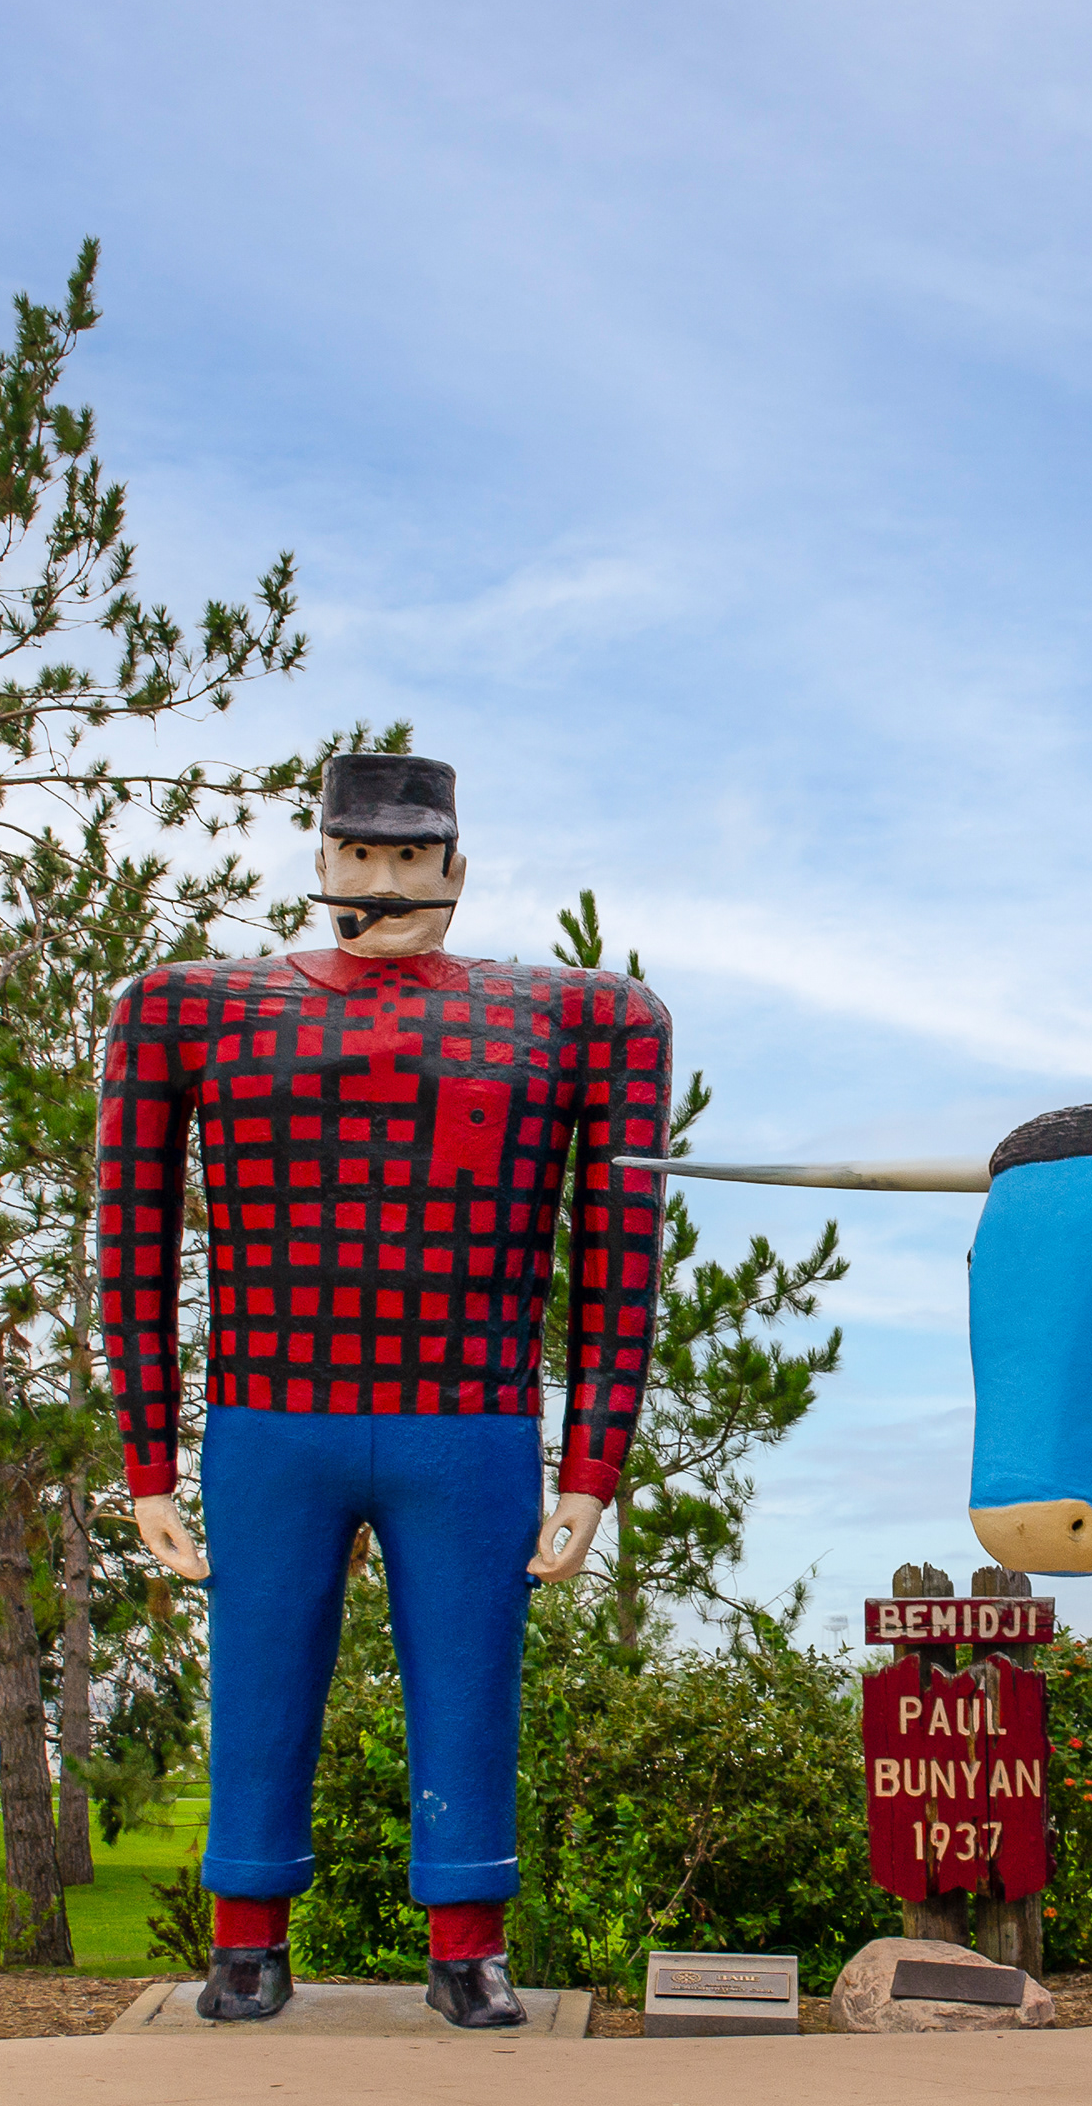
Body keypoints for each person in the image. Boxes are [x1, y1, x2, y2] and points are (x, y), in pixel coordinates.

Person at [101, 753, 670, 2027]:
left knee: (472, 1674)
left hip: (464, 1416)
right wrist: (147, 1460)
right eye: (363, 857)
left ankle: (467, 1939)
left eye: (414, 858)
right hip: (270, 1410)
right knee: (256, 1670)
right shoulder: (188, 1012)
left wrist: (591, 1466)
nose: (387, 882)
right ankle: (244, 1932)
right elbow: (132, 1239)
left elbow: (620, 1251)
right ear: (320, 869)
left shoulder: (581, 1020)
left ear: (457, 871)